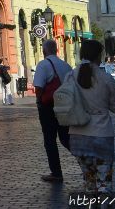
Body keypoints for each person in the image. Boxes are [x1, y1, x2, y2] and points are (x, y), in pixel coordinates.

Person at [67, 39, 115, 194]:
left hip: (77, 135)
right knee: (104, 182)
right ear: (99, 55)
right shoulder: (105, 78)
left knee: (89, 181)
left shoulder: (71, 75)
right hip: (101, 134)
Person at [33, 39, 73, 183]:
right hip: (65, 107)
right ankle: (85, 161)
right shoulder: (66, 65)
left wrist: (39, 100)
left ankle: (56, 172)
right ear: (56, 50)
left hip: (49, 107)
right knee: (66, 138)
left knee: (50, 140)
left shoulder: (44, 65)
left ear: (44, 51)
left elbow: (38, 87)